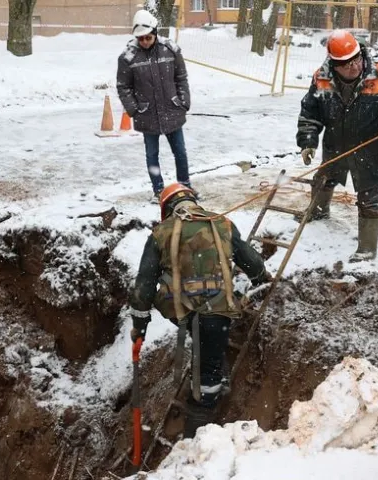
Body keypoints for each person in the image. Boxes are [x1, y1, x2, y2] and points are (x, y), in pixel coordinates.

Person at [128, 183, 272, 437]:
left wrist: (139, 327)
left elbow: (144, 287)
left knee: (207, 364)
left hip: (182, 313)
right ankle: (207, 396)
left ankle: (199, 421)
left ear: (167, 208)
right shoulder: (222, 224)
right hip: (219, 311)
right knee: (210, 356)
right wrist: (263, 281)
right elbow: (251, 261)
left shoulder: (161, 233)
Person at [296, 29, 378, 262]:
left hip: (372, 148)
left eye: (356, 60)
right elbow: (310, 113)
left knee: (369, 194)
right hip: (336, 144)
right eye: (345, 64)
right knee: (323, 178)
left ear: (361, 54)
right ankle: (318, 211)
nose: (352, 67)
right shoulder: (321, 78)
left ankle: (367, 248)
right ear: (333, 64)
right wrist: (308, 141)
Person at [117, 10, 195, 202]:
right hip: (147, 114)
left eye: (148, 37)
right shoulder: (128, 57)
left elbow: (181, 78)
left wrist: (183, 101)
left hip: (172, 110)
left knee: (180, 152)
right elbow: (123, 86)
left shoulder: (170, 50)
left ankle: (185, 187)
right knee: (152, 155)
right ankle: (158, 190)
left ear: (155, 32)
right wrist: (135, 109)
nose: (145, 41)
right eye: (141, 38)